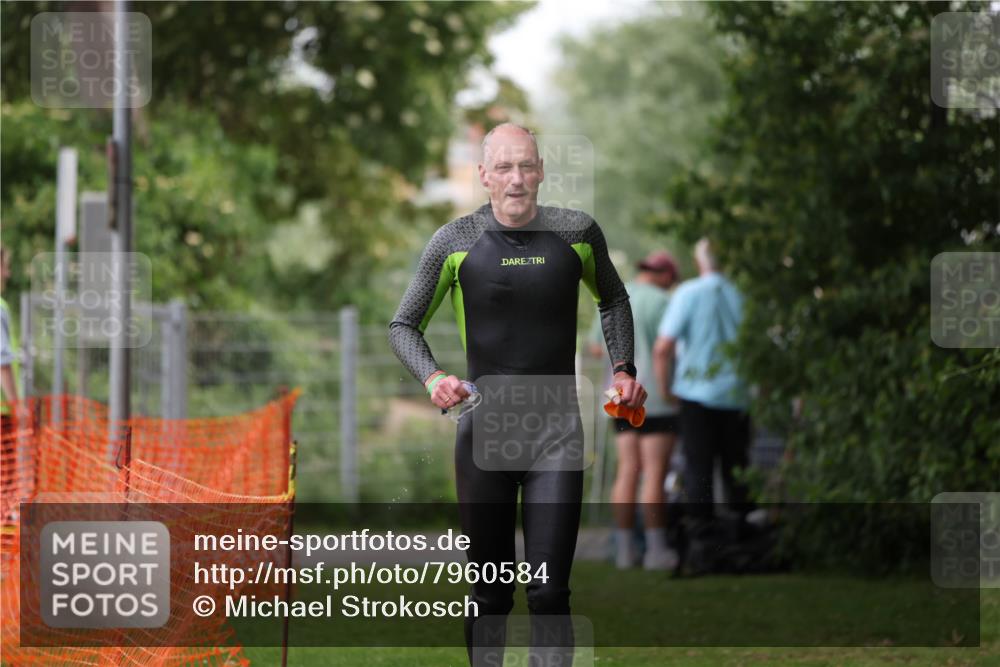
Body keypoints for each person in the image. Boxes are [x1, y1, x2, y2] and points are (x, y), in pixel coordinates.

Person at [389, 123, 645, 666]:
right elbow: (403, 325)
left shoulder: (577, 232)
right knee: (491, 596)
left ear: (542, 171)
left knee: (550, 592)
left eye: (526, 166)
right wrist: (434, 379)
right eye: (503, 168)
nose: (516, 179)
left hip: (557, 435)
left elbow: (614, 299)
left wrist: (623, 367)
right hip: (484, 436)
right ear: (483, 176)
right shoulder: (454, 241)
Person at [653, 238, 751, 540]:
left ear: (699, 263)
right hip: (738, 395)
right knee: (737, 468)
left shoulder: (688, 293)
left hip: (696, 394)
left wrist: (666, 390)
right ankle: (741, 533)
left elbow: (663, 348)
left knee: (699, 468)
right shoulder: (743, 295)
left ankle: (701, 536)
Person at [589, 250, 681, 570]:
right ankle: (656, 550)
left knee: (628, 469)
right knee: (655, 473)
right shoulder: (663, 301)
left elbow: (597, 346)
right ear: (667, 276)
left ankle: (625, 550)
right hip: (656, 397)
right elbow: (668, 349)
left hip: (619, 397)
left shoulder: (613, 296)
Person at [1, 246, 22, 510]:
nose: (7, 273)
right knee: (5, 480)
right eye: (4, 266)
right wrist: (17, 406)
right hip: (2, 414)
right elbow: (2, 361)